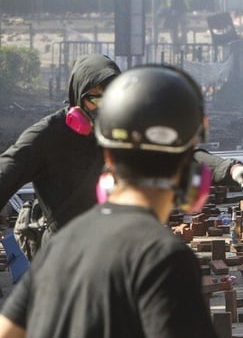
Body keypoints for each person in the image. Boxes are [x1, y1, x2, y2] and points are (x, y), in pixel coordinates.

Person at [0, 65, 220, 337]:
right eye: (94, 97)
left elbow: (8, 332)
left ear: (110, 161)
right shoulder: (162, 256)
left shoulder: (59, 251)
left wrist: (228, 167)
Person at [0, 53, 243, 256]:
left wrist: (231, 168)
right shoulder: (47, 136)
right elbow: (7, 171)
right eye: (94, 99)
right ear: (77, 99)